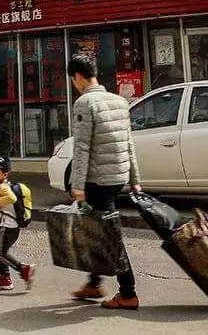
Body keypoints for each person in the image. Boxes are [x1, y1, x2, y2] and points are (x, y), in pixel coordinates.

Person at [66, 53, 142, 310]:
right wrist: (134, 179)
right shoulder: (119, 102)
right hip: (117, 177)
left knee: (109, 236)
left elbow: (82, 148)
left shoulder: (85, 104)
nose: (74, 85)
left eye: (73, 80)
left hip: (97, 180)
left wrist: (77, 186)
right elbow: (129, 143)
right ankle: (94, 282)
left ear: (78, 77)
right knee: (97, 230)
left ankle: (128, 292)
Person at [0, 155, 34, 291]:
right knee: (2, 251)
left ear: (5, 174)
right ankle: (4, 279)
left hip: (5, 227)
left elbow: (11, 198)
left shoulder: (2, 187)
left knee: (1, 253)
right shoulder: (1, 185)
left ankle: (24, 270)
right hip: (8, 227)